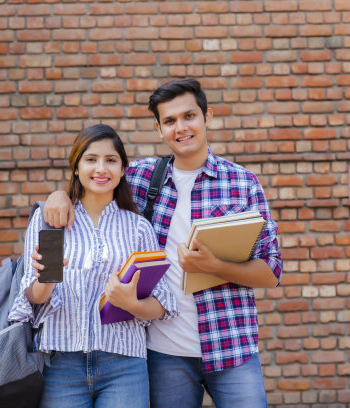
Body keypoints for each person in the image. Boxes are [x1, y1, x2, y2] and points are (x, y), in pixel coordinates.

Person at [40, 79, 282, 408]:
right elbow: (93, 178)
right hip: (164, 354)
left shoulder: (242, 183)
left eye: (189, 116)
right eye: (169, 121)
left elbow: (271, 271)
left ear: (207, 116)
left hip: (231, 347)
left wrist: (214, 266)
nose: (181, 128)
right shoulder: (139, 177)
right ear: (159, 128)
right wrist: (58, 196)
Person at [8, 123, 178, 408]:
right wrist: (47, 280)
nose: (101, 168)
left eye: (111, 160)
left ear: (123, 169)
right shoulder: (51, 221)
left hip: (124, 365)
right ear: (76, 167)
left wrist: (131, 304)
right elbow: (33, 299)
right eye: (91, 159)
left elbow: (162, 304)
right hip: (61, 365)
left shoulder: (138, 228)